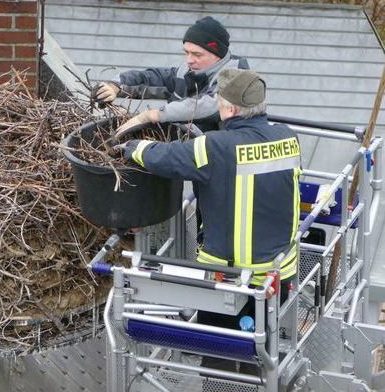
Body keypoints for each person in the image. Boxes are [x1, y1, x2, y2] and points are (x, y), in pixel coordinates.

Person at [118, 69, 300, 371]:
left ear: (227, 108)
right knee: (260, 346)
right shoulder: (287, 137)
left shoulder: (216, 146)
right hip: (279, 273)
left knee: (219, 356)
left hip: (230, 279)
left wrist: (133, 148)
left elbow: (165, 158)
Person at [93, 16, 249, 137]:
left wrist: (151, 115)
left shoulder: (237, 76)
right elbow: (153, 79)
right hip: (191, 160)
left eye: (197, 54)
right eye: (186, 52)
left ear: (218, 55)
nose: (189, 60)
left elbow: (208, 106)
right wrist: (116, 86)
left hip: (228, 163)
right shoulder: (187, 72)